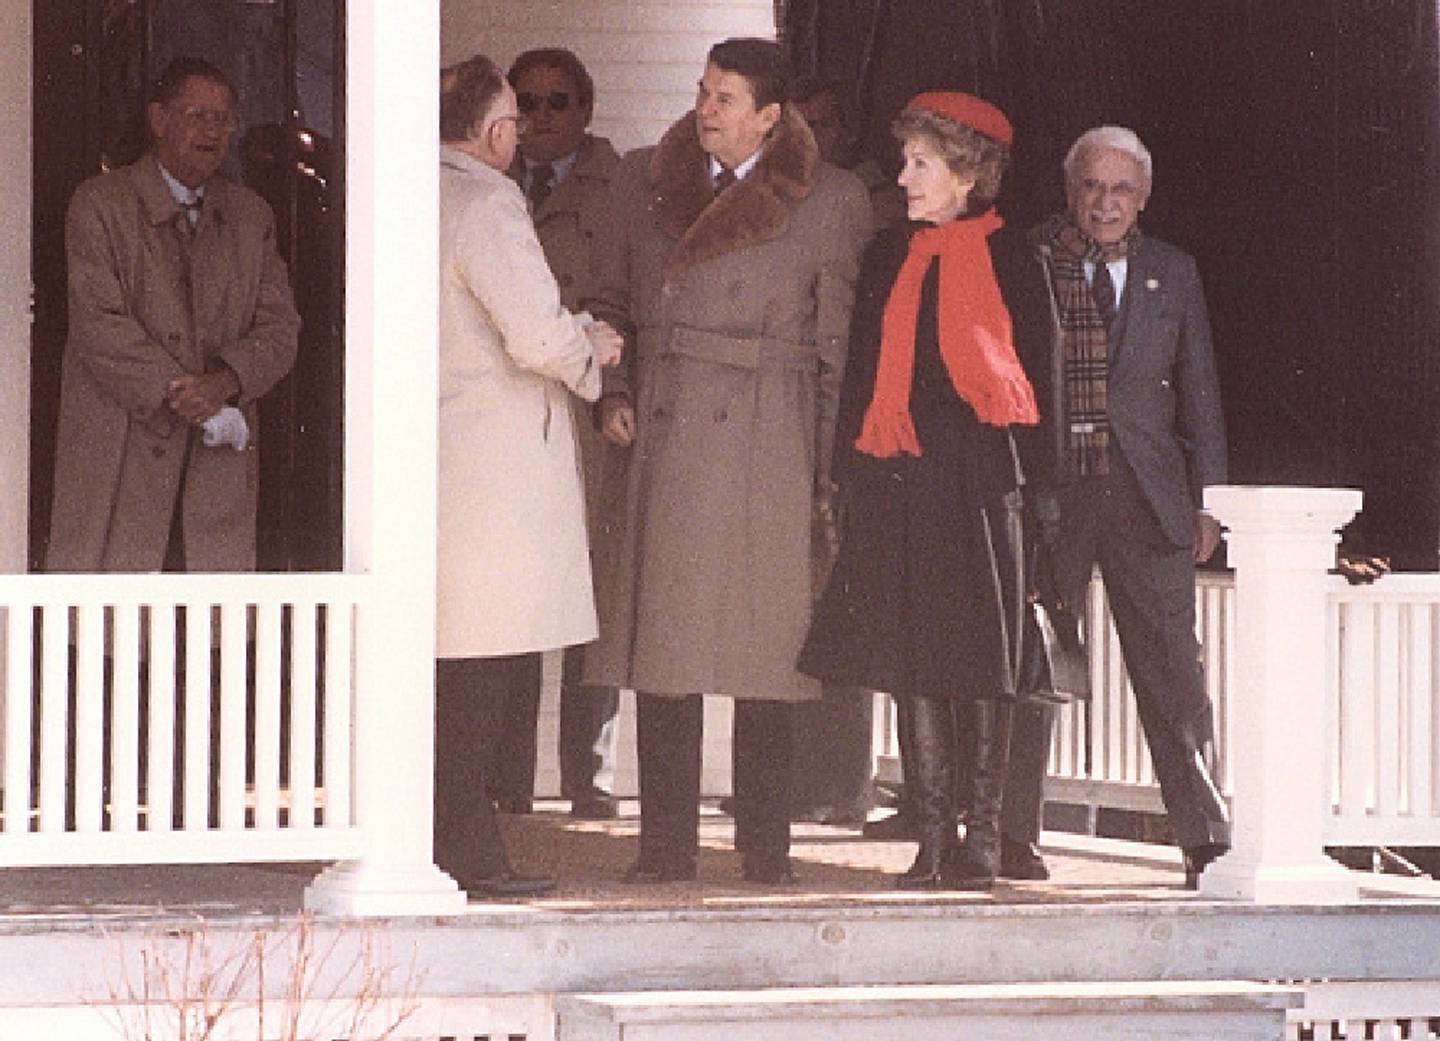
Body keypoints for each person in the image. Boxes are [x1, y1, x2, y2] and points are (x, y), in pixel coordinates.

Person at [586, 37, 872, 884]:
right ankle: (665, 845)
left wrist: (829, 472)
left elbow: (837, 350)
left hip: (770, 437)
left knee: (768, 658)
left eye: (726, 97)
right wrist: (615, 391)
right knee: (664, 654)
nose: (705, 108)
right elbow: (606, 305)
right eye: (703, 91)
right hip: (668, 433)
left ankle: (765, 849)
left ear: (771, 118)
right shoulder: (649, 181)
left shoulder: (832, 200)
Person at [799, 91, 1040, 891]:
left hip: (980, 485)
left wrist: (1043, 498)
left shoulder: (1015, 257)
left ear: (967, 173)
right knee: (913, 659)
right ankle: (933, 837)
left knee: (984, 661)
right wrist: (844, 480)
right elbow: (863, 373)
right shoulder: (885, 255)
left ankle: (981, 840)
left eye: (920, 163)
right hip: (899, 476)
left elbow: (1047, 387)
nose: (903, 176)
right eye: (906, 161)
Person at [1014, 125, 1231, 889]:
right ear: (1071, 192)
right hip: (1058, 494)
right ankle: (1014, 833)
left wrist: (1208, 500)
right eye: (1092, 188)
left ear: (1143, 198)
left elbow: (1200, 393)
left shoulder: (1174, 273)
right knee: (1037, 659)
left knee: (1174, 672)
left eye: (1122, 190)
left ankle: (1204, 836)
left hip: (1149, 498)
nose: (1105, 204)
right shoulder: (1037, 261)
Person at [435, 53, 622, 897]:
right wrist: (594, 351)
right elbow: (534, 336)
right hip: (497, 477)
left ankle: (452, 842)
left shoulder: (412, 193)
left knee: (455, 671)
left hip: (442, 462)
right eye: (513, 117)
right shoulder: (487, 199)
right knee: (489, 667)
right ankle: (471, 854)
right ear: (492, 130)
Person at [47, 56, 299, 574]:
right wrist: (189, 394)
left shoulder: (251, 217)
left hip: (214, 472)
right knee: (113, 634)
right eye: (197, 115)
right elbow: (99, 325)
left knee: (211, 636)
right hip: (123, 458)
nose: (212, 131)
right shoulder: (100, 205)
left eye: (223, 119)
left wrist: (227, 380)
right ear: (159, 120)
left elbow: (280, 329)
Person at [482, 47, 625, 821]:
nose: (540, 117)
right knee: (510, 597)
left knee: (588, 599)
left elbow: (630, 298)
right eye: (525, 103)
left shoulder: (622, 188)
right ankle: (505, 777)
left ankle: (588, 776)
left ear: (587, 109)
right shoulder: (484, 181)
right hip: (508, 417)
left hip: (588, 411)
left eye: (557, 102)